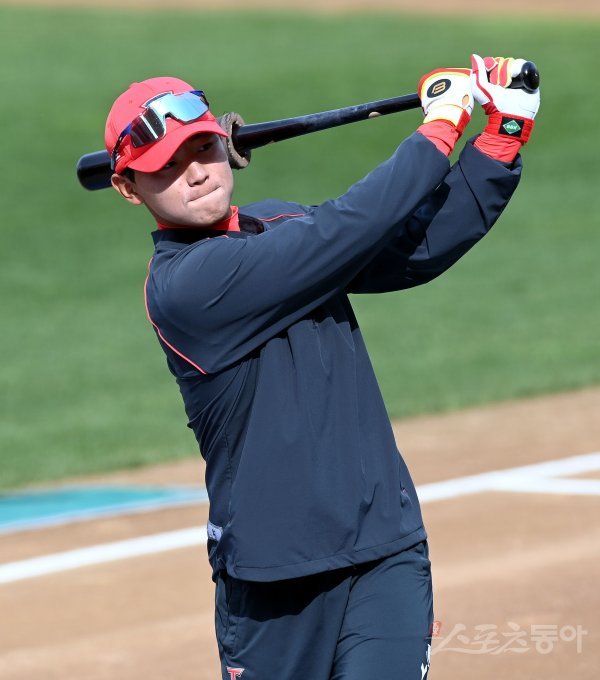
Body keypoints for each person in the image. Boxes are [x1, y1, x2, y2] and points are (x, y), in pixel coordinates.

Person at [104, 54, 540, 680]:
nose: (194, 173)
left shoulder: (279, 224)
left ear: (225, 144)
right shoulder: (186, 288)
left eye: (201, 148)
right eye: (165, 166)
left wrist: (501, 138)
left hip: (384, 548)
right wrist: (440, 127)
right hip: (275, 582)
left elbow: (412, 248)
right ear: (129, 188)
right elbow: (344, 229)